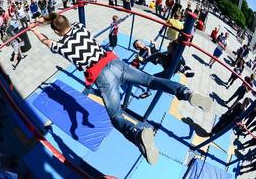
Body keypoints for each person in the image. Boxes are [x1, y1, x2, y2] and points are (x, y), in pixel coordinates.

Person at [30, 13, 212, 165]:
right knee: (150, 80)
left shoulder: (61, 45)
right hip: (114, 62)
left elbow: (47, 41)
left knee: (116, 116)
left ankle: (137, 134)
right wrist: (46, 20)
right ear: (67, 22)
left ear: (56, 31)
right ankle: (185, 93)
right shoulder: (78, 26)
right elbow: (59, 20)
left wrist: (35, 30)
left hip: (101, 75)